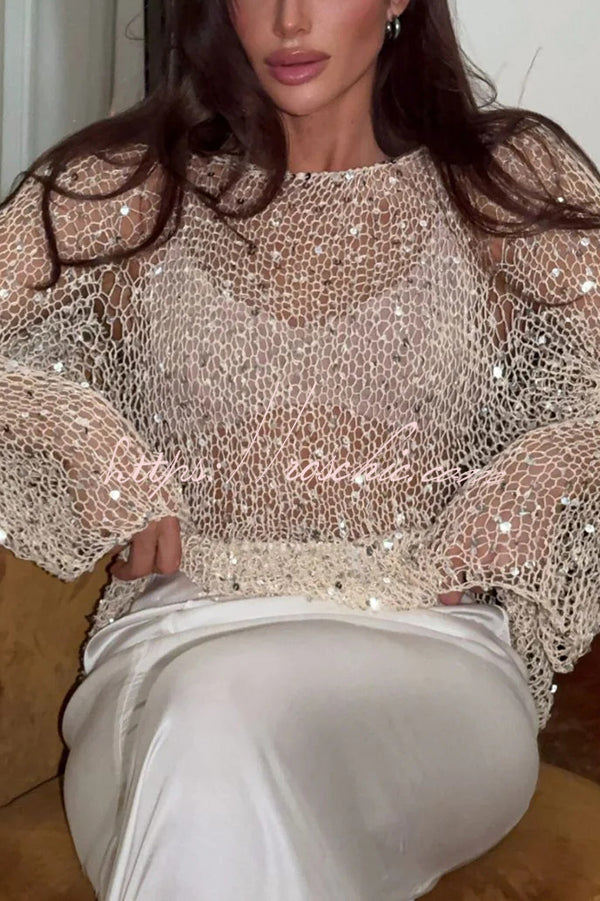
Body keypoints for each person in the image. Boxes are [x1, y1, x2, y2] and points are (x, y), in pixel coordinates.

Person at [1, 0, 599, 898]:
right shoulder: (133, 188)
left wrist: (542, 470)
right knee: (210, 714)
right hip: (169, 651)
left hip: (430, 658)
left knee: (219, 712)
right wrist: (91, 444)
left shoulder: (496, 180)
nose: (288, 20)